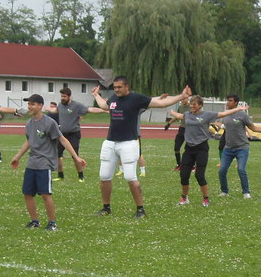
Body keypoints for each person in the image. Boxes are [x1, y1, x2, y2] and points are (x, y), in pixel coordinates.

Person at [91, 77, 191, 218]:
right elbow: (104, 106)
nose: (117, 90)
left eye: (120, 87)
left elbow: (160, 103)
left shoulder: (136, 98)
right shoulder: (113, 98)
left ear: (127, 86)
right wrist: (96, 95)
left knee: (130, 177)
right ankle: (106, 208)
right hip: (110, 142)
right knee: (104, 176)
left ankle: (140, 210)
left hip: (129, 142)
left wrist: (181, 96)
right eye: (115, 87)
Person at [10, 94, 87, 230]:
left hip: (44, 163)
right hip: (31, 162)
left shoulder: (49, 122)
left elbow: (62, 139)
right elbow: (29, 141)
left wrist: (76, 157)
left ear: (40, 106)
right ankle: (35, 221)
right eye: (29, 104)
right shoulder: (29, 123)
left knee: (45, 194)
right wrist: (17, 156)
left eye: (33, 104)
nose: (30, 107)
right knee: (27, 193)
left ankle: (52, 223)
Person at [167, 95, 248, 206]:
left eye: (194, 104)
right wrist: (172, 112)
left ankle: (205, 199)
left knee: (199, 175)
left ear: (200, 105)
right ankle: (184, 198)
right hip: (189, 149)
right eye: (191, 104)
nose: (192, 106)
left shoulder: (207, 115)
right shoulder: (187, 115)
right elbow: (179, 116)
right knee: (184, 175)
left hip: (201, 148)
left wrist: (238, 109)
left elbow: (223, 114)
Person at [217, 94, 261, 199]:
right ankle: (224, 191)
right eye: (227, 101)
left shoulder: (243, 116)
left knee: (241, 169)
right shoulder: (225, 115)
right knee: (222, 170)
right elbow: (223, 125)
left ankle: (246, 192)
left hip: (242, 148)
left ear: (235, 103)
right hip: (228, 148)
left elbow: (254, 128)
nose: (227, 103)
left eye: (230, 101)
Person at [53, 87, 103, 182]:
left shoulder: (76, 105)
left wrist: (104, 110)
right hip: (62, 135)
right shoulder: (60, 105)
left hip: (73, 134)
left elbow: (90, 109)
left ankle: (81, 176)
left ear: (69, 96)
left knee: (75, 155)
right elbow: (55, 111)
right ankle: (60, 175)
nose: (62, 98)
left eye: (64, 96)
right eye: (61, 96)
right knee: (57, 155)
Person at [164, 99, 188, 171]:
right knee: (176, 148)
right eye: (181, 100)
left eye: (184, 99)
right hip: (182, 129)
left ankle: (193, 165)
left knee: (190, 148)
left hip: (190, 130)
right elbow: (177, 116)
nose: (182, 101)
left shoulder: (192, 106)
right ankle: (179, 165)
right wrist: (169, 124)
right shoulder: (180, 107)